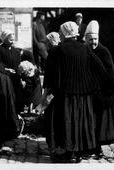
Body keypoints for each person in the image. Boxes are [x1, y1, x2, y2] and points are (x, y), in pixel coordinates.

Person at [37, 21, 107, 163]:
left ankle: (68, 154)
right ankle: (79, 153)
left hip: (65, 95)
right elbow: (101, 69)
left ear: (65, 33)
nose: (59, 35)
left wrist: (46, 96)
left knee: (67, 123)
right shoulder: (85, 49)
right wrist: (90, 84)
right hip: (84, 95)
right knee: (80, 122)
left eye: (60, 32)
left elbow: (50, 75)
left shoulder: (57, 50)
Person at [84, 20, 114, 159]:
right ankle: (89, 147)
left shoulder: (104, 51)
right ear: (86, 39)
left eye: (95, 39)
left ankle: (98, 148)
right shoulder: (84, 50)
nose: (93, 42)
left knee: (100, 123)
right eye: (90, 39)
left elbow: (111, 74)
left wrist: (110, 93)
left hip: (103, 93)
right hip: (89, 92)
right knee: (89, 121)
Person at [0, 30, 23, 114]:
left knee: (16, 97)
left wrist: (19, 70)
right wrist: (6, 70)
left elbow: (18, 63)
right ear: (5, 39)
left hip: (15, 78)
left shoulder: (15, 51)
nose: (12, 42)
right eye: (10, 40)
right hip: (4, 79)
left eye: (13, 40)